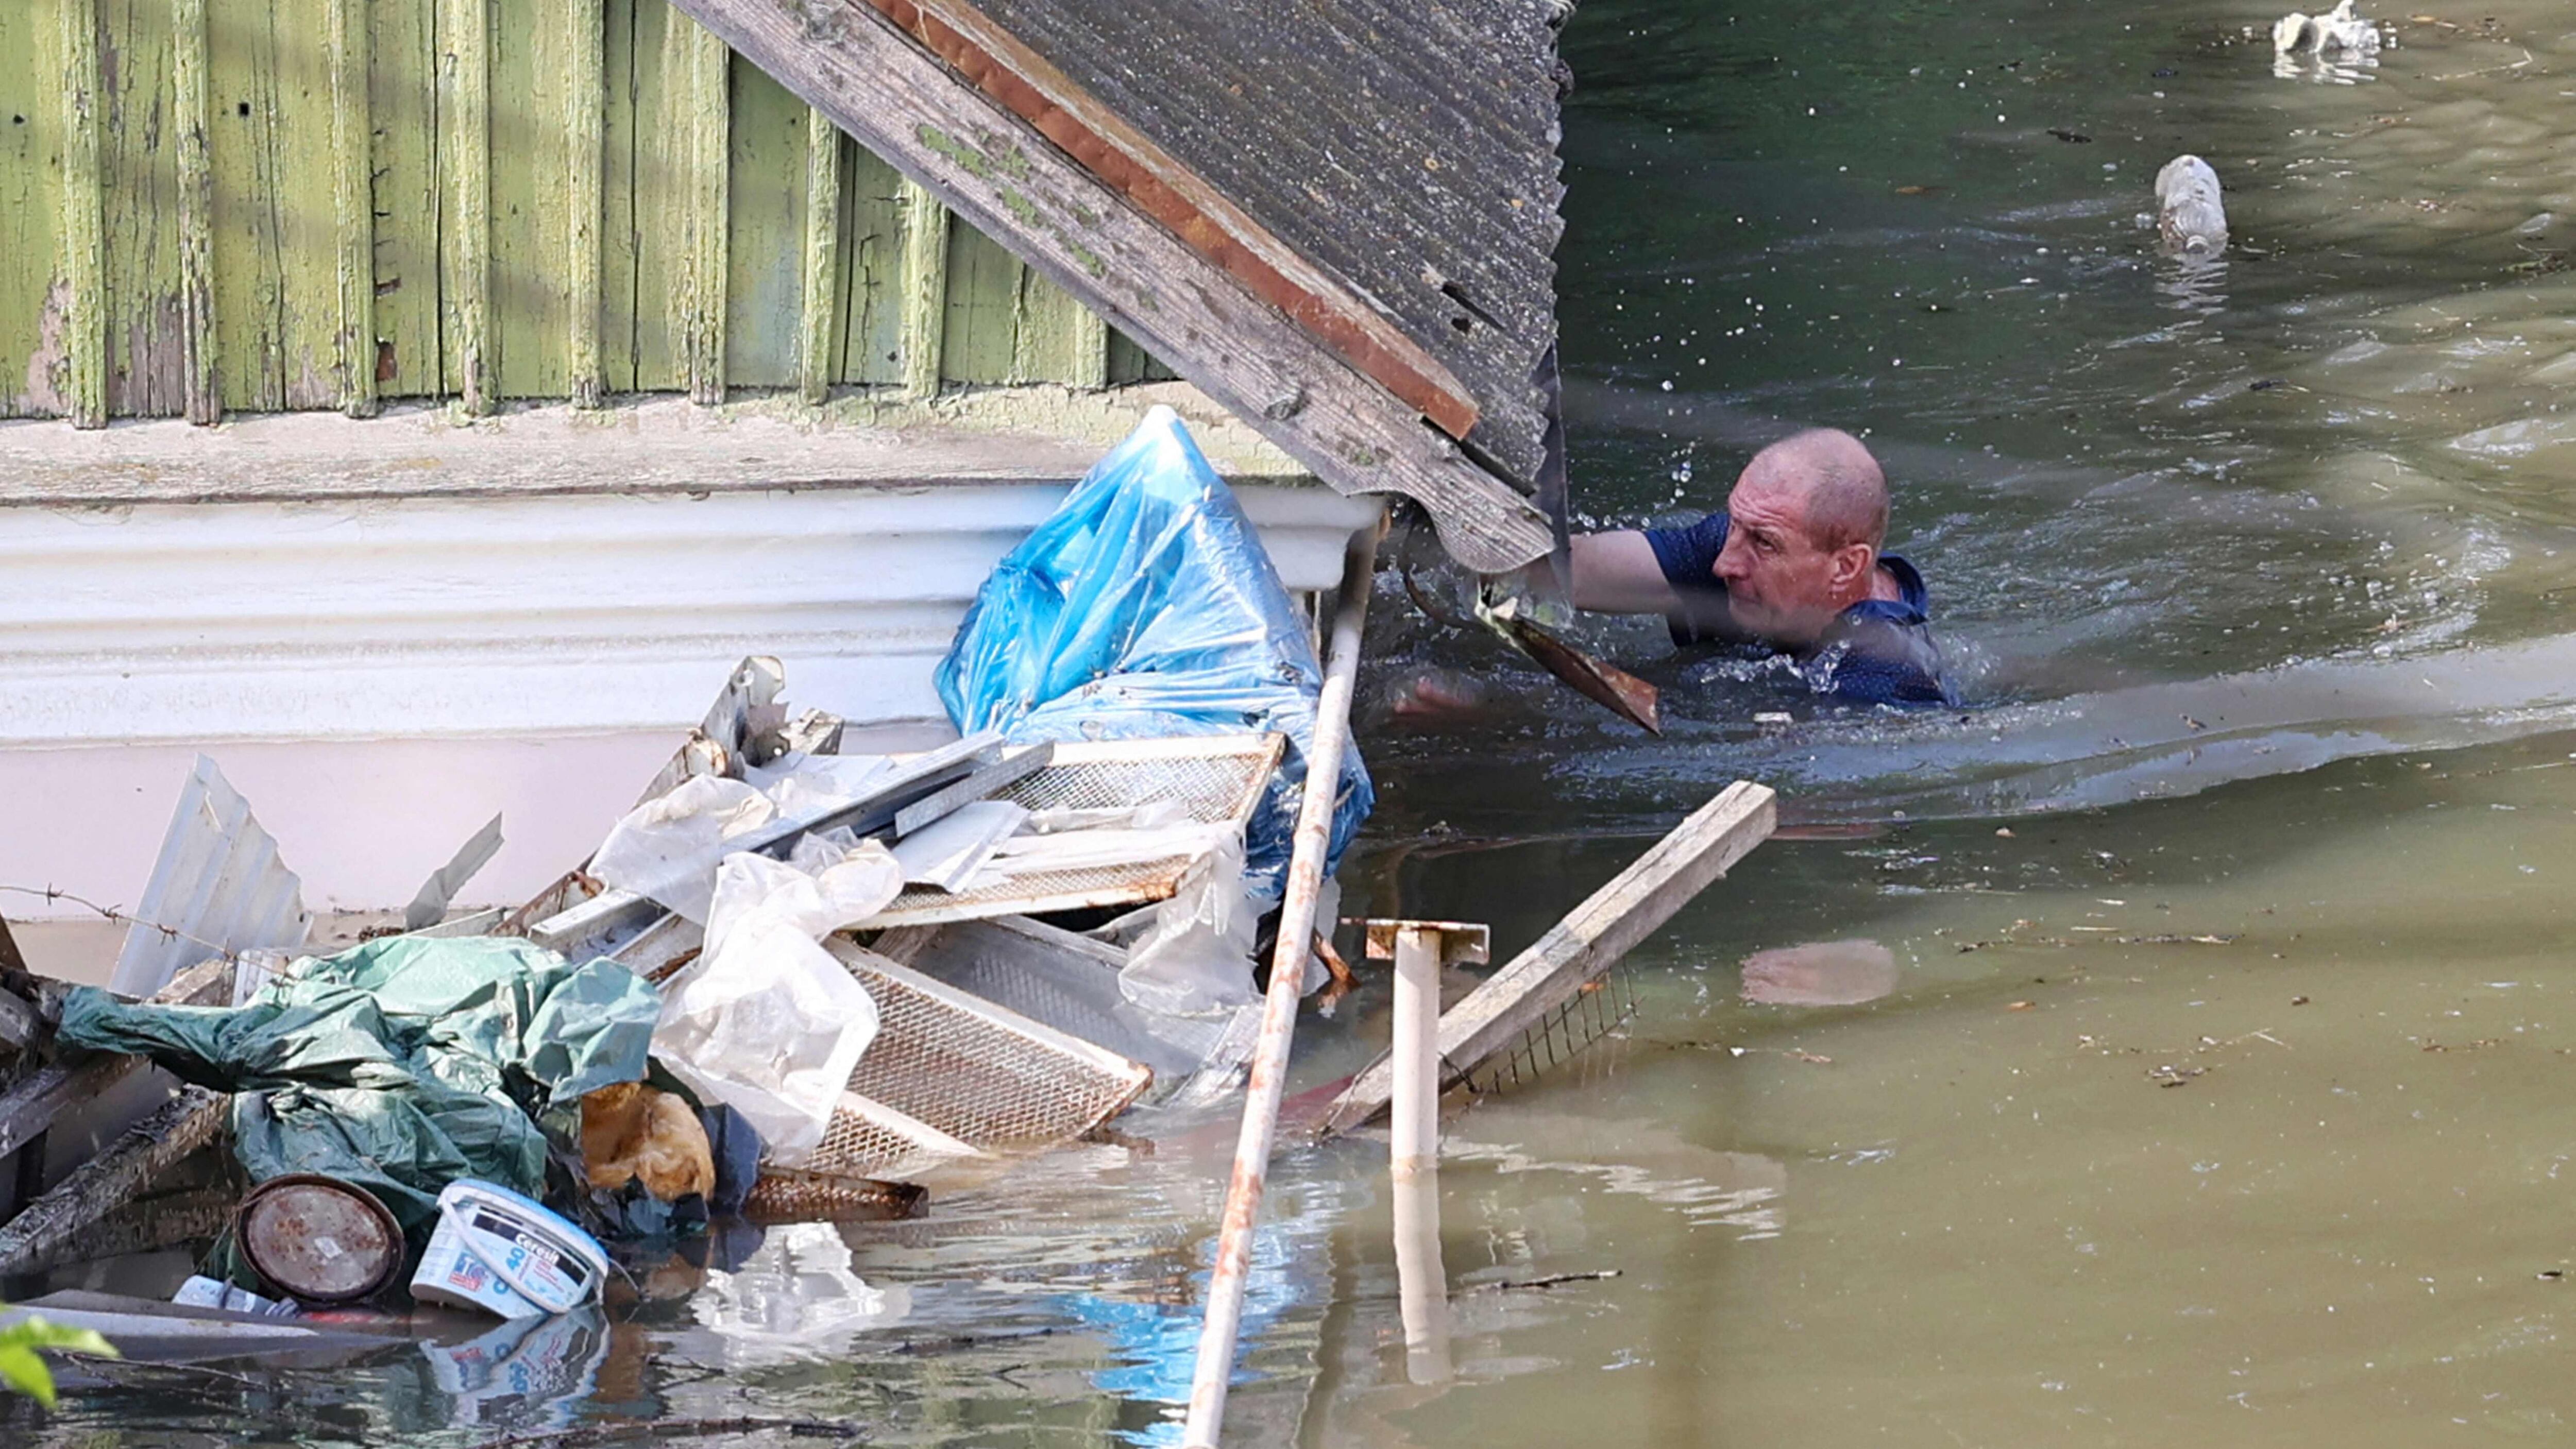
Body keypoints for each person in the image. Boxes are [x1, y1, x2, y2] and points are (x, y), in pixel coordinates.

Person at [1565, 428, 1956, 706]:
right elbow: (1569, 573)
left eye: (1764, 542)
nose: (1724, 564)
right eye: (1735, 522)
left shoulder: (1884, 675)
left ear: (1846, 567)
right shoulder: (1735, 546)